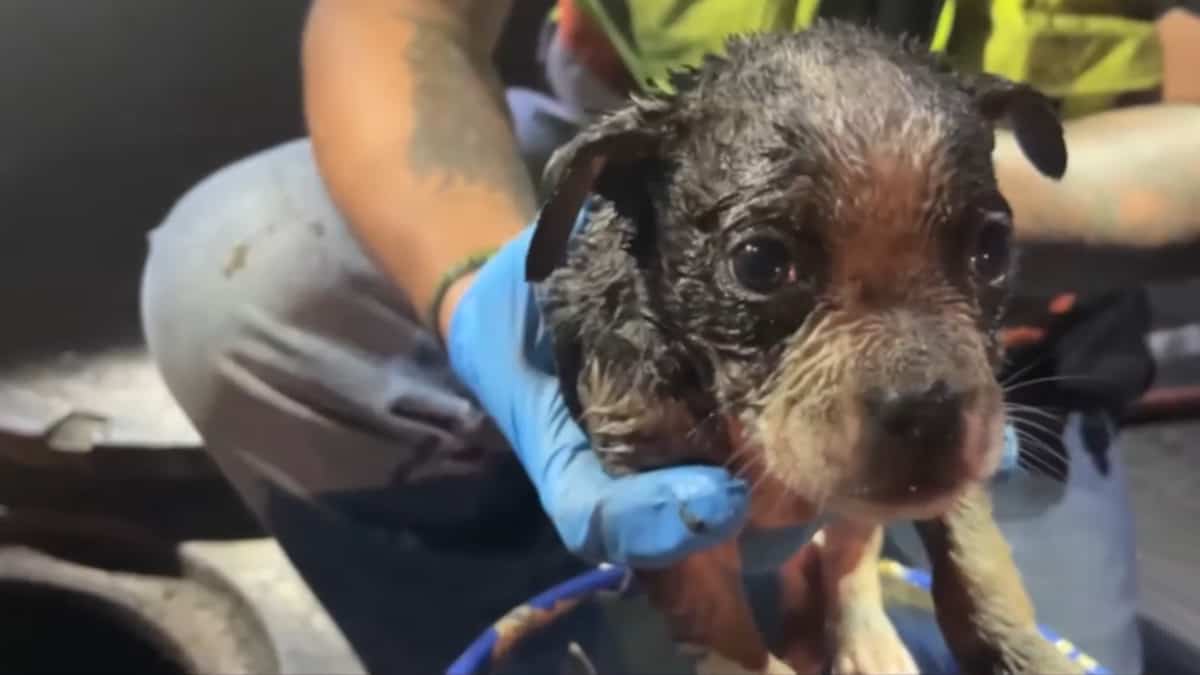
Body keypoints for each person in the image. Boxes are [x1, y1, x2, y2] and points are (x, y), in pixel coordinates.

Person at [139, 0, 1200, 672]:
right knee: (251, 266)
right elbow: (391, 21)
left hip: (1037, 283)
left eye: (977, 248)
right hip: (668, 170)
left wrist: (922, 188)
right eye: (767, 266)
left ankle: (833, 552)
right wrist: (469, 283)